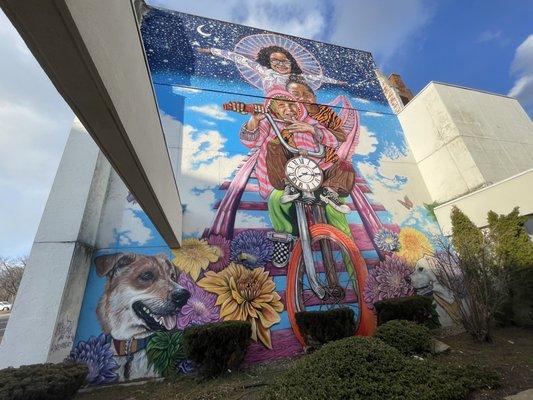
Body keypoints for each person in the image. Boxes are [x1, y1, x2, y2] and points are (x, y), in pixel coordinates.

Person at [197, 45, 346, 92]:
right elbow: (238, 58)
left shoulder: (298, 78)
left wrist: (338, 82)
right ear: (268, 63)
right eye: (275, 60)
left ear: (291, 62)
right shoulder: (264, 71)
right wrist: (211, 51)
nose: (281, 64)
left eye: (285, 60)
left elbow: (319, 78)